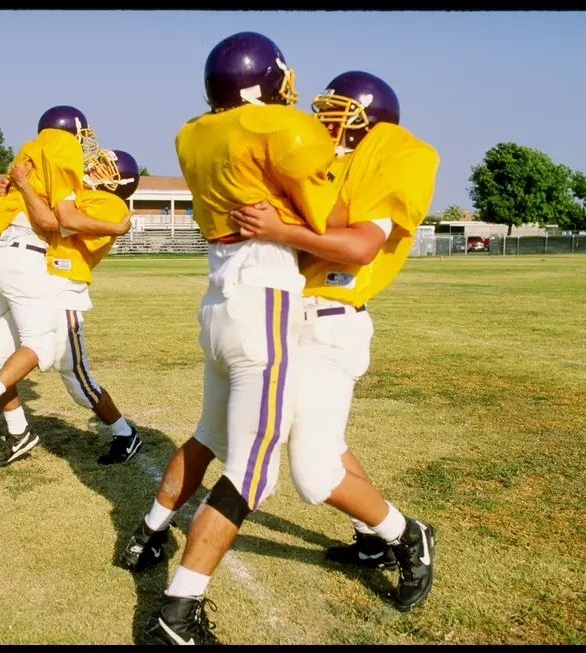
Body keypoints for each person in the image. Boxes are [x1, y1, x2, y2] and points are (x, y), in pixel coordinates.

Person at [125, 32, 346, 645]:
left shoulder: (192, 132)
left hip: (219, 296)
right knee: (255, 471)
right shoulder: (286, 128)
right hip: (268, 297)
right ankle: (179, 608)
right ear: (267, 79)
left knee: (210, 436)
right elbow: (320, 223)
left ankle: (148, 532)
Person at [229, 70, 440, 613]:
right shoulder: (329, 172)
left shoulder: (381, 164)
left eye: (338, 111)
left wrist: (281, 229)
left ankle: (408, 533)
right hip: (292, 317)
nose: (323, 120)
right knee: (322, 439)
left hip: (332, 321)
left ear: (370, 120)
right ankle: (371, 537)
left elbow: (360, 248)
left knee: (312, 471)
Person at [0, 149, 143, 469]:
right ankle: (19, 433)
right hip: (37, 285)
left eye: (105, 166)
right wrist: (13, 193)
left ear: (119, 181)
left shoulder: (112, 205)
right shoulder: (81, 193)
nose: (95, 167)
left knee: (77, 379)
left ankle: (124, 434)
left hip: (65, 291)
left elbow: (53, 220)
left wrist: (24, 186)